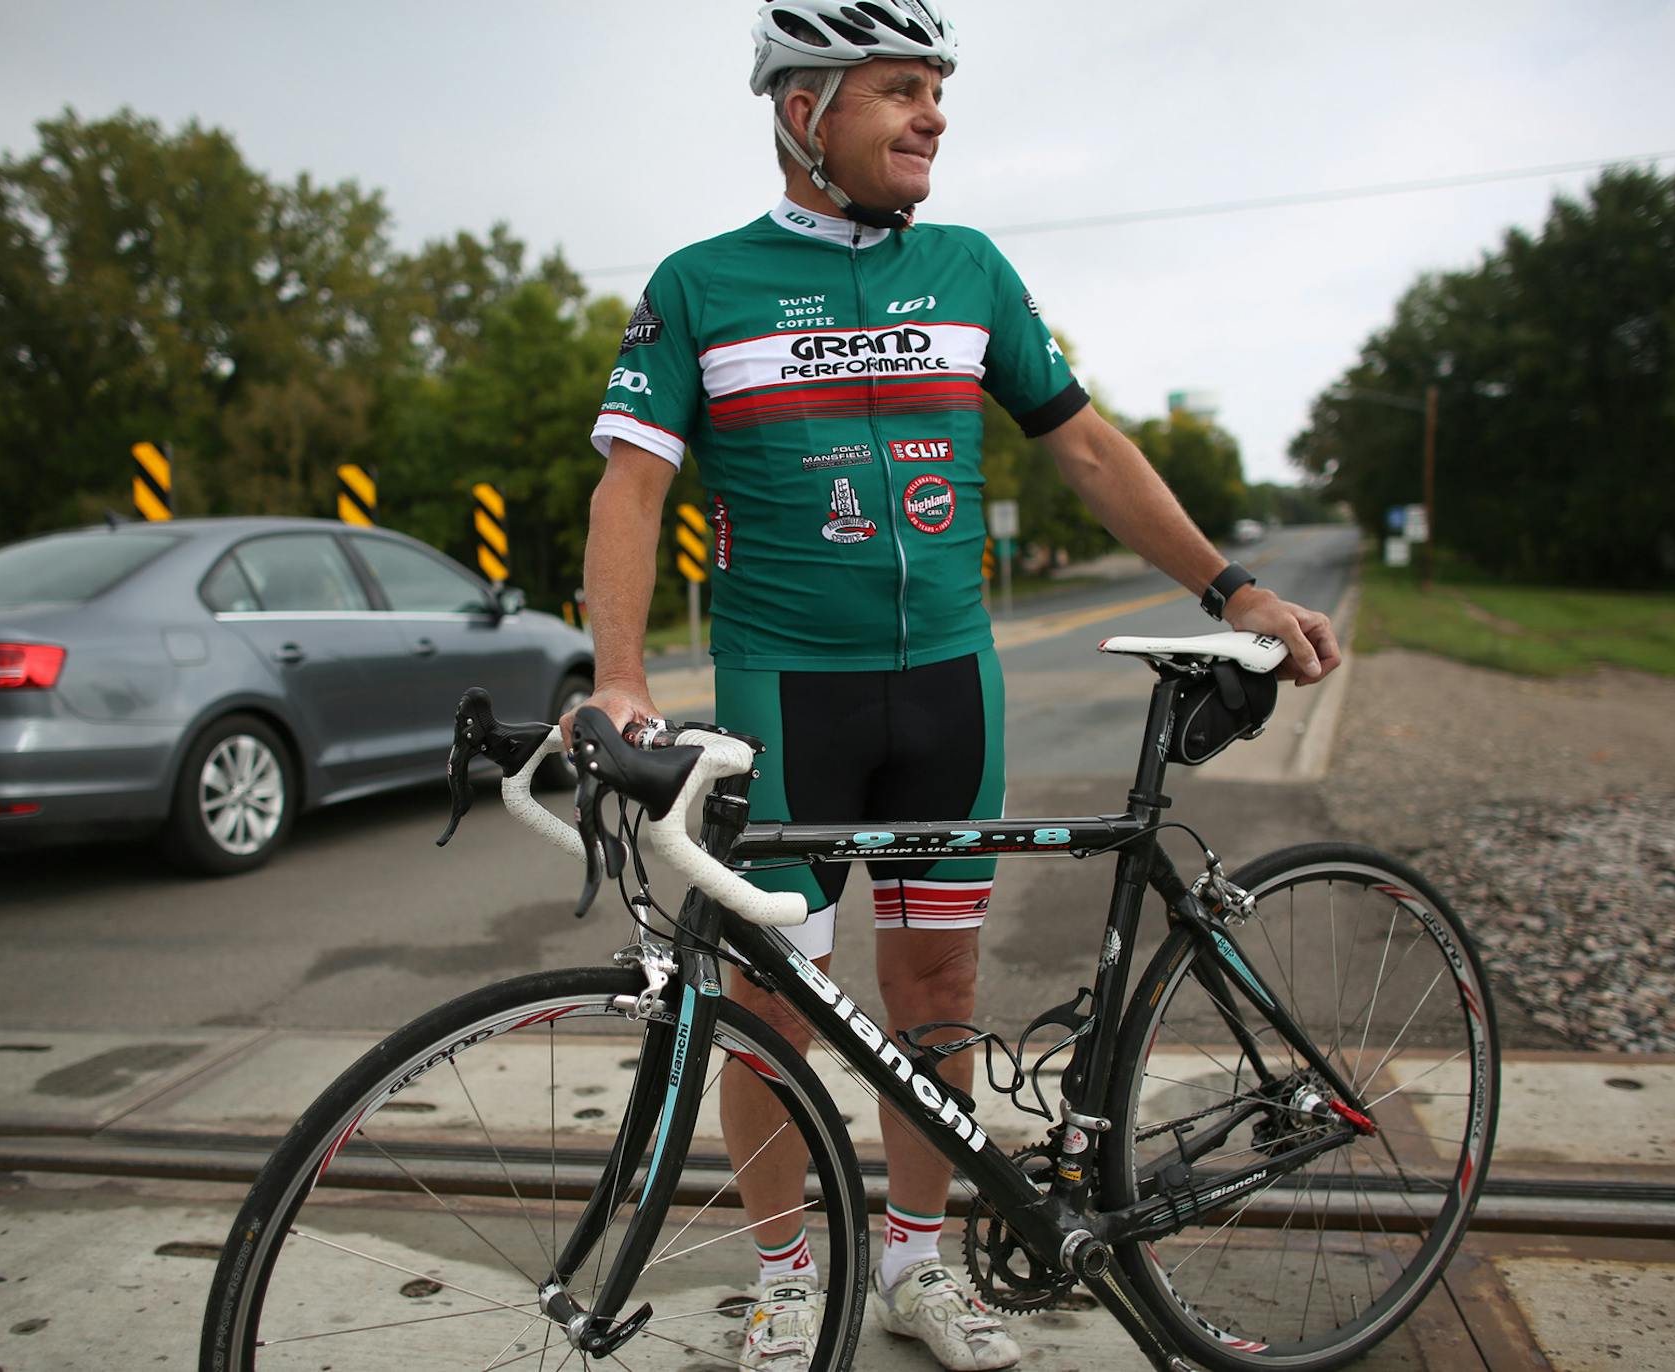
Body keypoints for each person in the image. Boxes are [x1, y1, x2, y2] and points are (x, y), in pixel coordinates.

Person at [573, 3, 1341, 1367]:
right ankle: (786, 1273)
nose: (933, 115)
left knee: (935, 982)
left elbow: (1088, 450)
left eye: (939, 90)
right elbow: (632, 490)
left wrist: (1233, 589)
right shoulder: (701, 285)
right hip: (783, 697)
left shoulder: (971, 271)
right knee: (773, 1004)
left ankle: (922, 1270)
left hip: (951, 694)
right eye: (900, 90)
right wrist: (621, 679)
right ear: (804, 109)